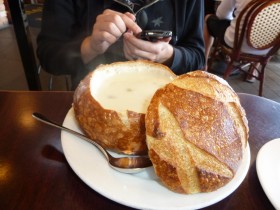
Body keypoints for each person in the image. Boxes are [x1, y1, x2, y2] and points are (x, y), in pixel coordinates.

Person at [36, 0, 205, 89]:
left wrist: (168, 55)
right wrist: (90, 47)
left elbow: (197, 58)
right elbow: (48, 55)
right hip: (94, 95)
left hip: (165, 100)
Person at [203, 0, 269, 82]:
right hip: (266, 49)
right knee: (270, 36)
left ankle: (203, 64)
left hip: (236, 43)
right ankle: (252, 72)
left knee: (208, 18)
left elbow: (221, 15)